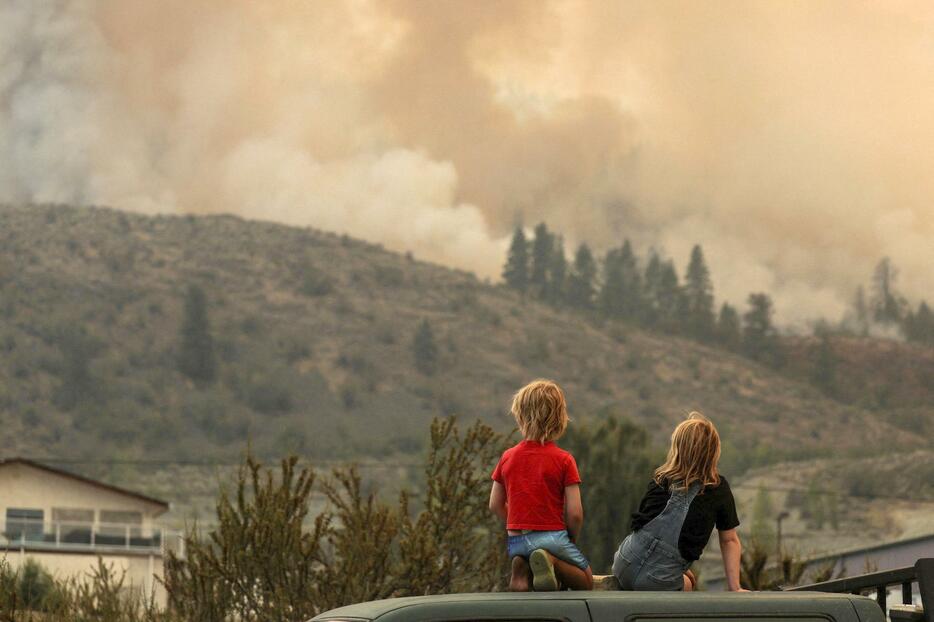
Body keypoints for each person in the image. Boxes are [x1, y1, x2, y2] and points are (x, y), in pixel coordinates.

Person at [613, 412, 746, 592]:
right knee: (689, 585)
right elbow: (729, 541)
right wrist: (735, 588)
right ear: (713, 452)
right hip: (658, 581)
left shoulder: (660, 479)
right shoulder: (717, 488)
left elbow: (647, 530)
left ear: (677, 448)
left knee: (678, 575)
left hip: (624, 563)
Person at [489, 379, 594, 591]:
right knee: (586, 580)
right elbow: (575, 513)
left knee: (527, 560)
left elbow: (494, 504)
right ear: (560, 419)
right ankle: (552, 561)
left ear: (519, 415)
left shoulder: (507, 457)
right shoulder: (564, 460)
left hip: (517, 538)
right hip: (553, 537)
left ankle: (521, 568)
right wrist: (570, 538)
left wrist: (515, 521)